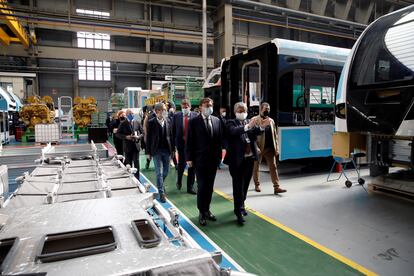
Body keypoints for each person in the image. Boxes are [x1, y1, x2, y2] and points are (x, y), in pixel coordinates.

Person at [224, 102, 268, 225]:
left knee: (245, 185)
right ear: (235, 112)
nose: (242, 112)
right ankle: (238, 212)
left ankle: (241, 205)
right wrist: (248, 126)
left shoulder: (248, 122)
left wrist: (262, 127)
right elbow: (233, 132)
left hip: (249, 159)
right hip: (236, 160)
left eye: (244, 110)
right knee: (238, 186)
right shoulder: (230, 123)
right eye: (240, 110)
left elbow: (253, 133)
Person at [186, 98, 223, 226]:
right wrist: (189, 158)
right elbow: (189, 141)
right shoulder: (193, 122)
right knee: (202, 187)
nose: (209, 108)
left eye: (211, 105)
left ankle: (207, 210)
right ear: (201, 107)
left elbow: (219, 141)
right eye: (207, 105)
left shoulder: (217, 121)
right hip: (199, 160)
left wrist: (219, 158)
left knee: (209, 188)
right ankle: (201, 212)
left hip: (213, 161)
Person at [252, 102, 287, 194]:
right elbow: (252, 135)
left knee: (273, 167)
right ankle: (257, 185)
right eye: (265, 108)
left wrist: (277, 148)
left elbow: (275, 136)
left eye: (268, 108)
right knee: (256, 167)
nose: (267, 110)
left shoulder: (271, 121)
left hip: (270, 148)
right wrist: (255, 147)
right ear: (261, 109)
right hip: (259, 148)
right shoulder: (254, 120)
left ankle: (276, 187)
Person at [146, 102, 173, 203]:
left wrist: (173, 150)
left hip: (167, 150)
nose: (165, 111)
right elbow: (148, 138)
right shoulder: (151, 122)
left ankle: (160, 184)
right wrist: (148, 152)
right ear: (158, 111)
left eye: (165, 109)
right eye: (164, 109)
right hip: (156, 150)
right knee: (159, 173)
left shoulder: (168, 121)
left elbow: (171, 136)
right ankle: (161, 193)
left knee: (166, 171)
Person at [171, 99, 197, 194]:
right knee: (182, 164)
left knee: (192, 166)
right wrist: (173, 146)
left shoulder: (195, 115)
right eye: (183, 107)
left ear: (190, 107)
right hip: (181, 144)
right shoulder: (176, 116)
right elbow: (173, 131)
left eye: (186, 107)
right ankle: (179, 180)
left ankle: (190, 187)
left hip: (192, 145)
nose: (184, 109)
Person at [116, 109, 143, 176]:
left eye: (133, 113)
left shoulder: (137, 122)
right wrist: (126, 137)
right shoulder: (123, 123)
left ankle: (137, 179)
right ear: (127, 115)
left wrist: (138, 137)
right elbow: (118, 134)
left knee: (136, 163)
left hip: (136, 146)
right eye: (130, 113)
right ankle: (130, 178)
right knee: (129, 164)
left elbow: (143, 133)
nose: (132, 115)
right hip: (127, 147)